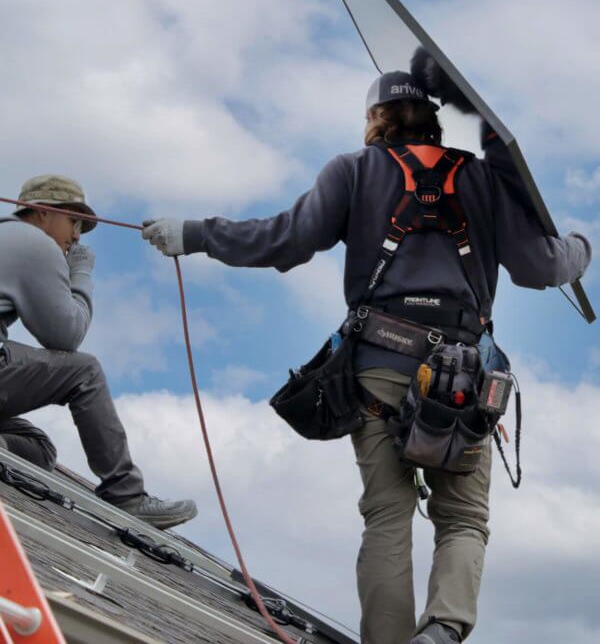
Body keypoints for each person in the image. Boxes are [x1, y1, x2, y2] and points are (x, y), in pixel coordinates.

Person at [142, 71, 591, 642]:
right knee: (462, 519)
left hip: (380, 365)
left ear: (375, 119)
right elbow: (541, 267)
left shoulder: (353, 170)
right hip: (464, 378)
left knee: (386, 514)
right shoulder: (480, 178)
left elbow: (287, 239)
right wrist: (582, 248)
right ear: (431, 116)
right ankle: (444, 631)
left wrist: (196, 233)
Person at [0, 175, 197, 530]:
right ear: (43, 213)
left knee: (36, 448)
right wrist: (80, 273)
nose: (76, 236)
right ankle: (127, 495)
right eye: (73, 222)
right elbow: (66, 336)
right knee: (84, 371)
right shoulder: (33, 243)